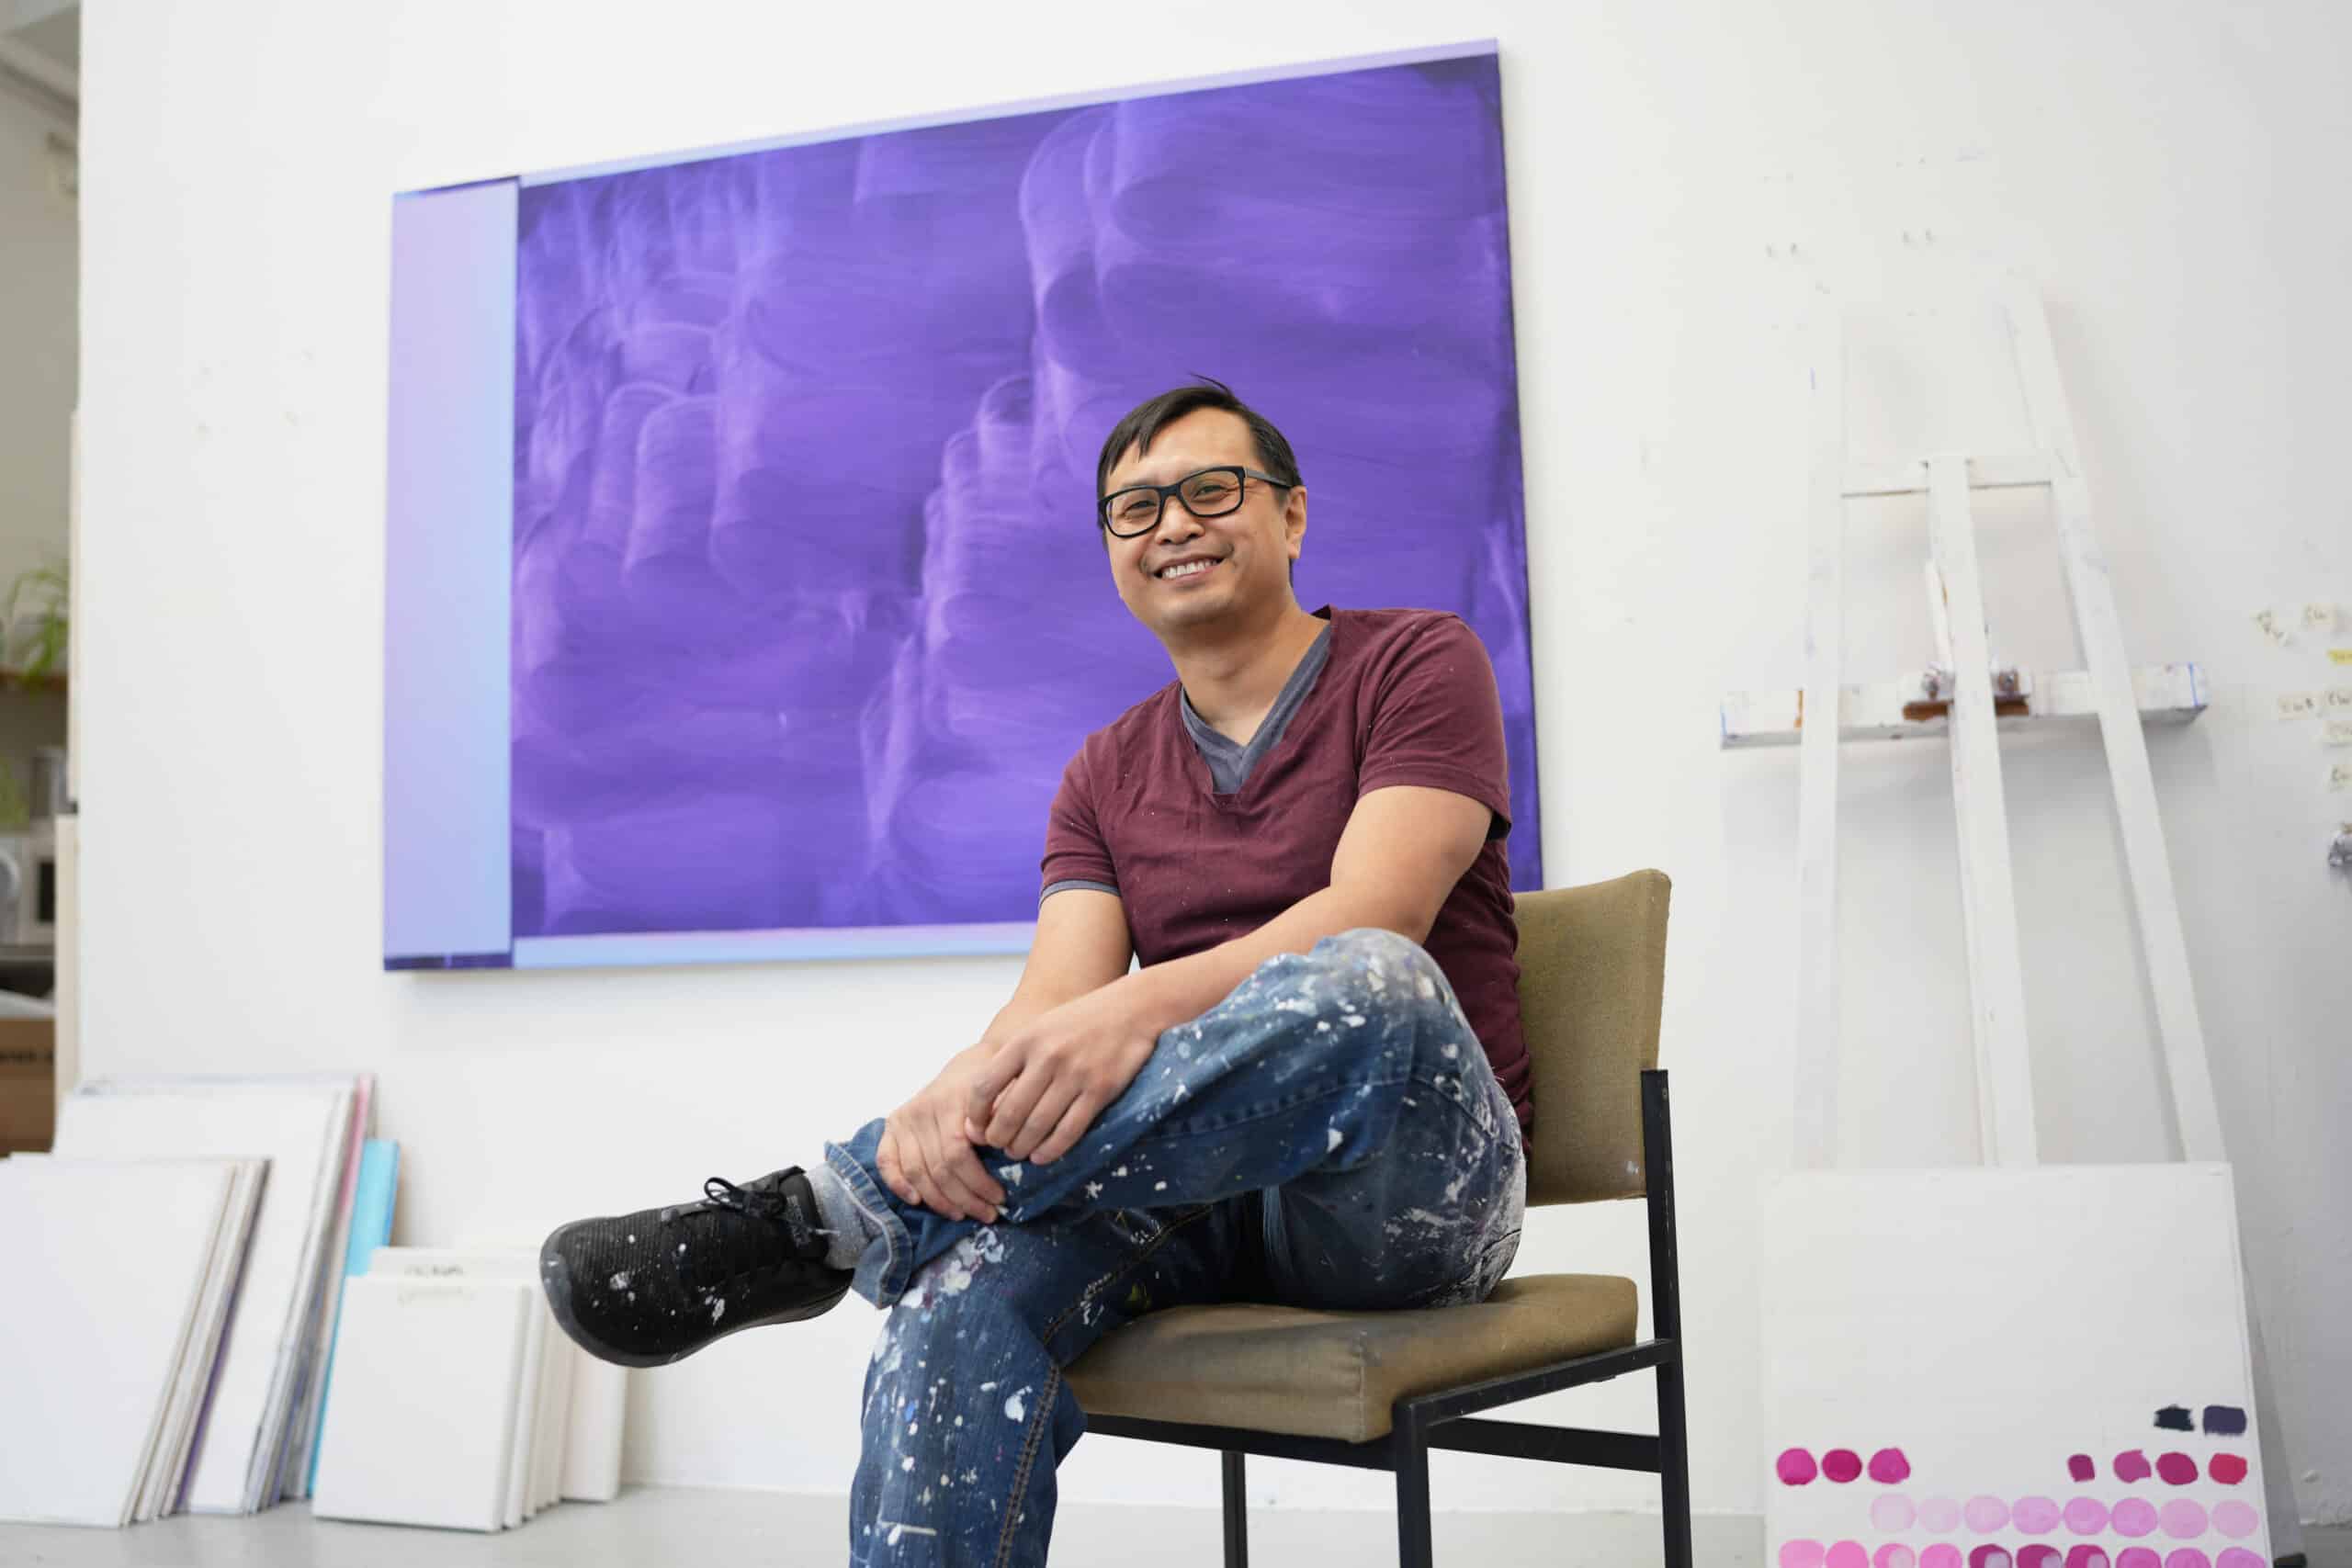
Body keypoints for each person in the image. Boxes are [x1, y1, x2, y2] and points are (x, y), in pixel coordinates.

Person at [540, 380, 1532, 1566]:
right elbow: (1050, 1007)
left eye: (1211, 491)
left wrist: (1129, 1012)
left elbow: (1381, 907)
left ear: (1293, 516)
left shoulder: (1418, 658)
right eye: (1135, 508)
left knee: (1372, 976)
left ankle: (831, 1219)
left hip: (1408, 1195)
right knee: (953, 1295)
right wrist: (942, 1108)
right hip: (1196, 1194)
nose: (1173, 525)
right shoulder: (1104, 771)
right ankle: (873, 1204)